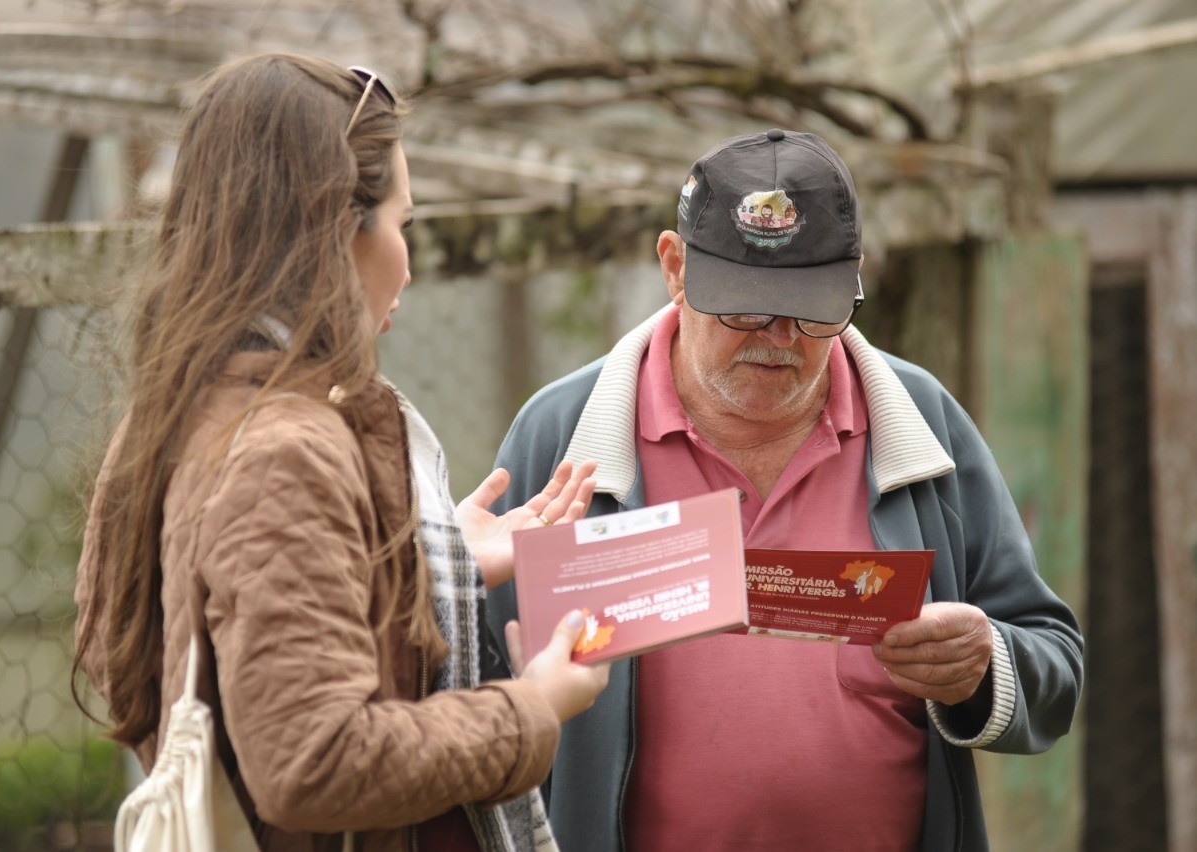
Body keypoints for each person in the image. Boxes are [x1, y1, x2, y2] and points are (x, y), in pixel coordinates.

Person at [486, 128, 1084, 851]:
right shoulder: (565, 433)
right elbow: (471, 693)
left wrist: (984, 664)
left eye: (810, 309)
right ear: (675, 269)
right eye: (744, 308)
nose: (777, 337)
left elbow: (1055, 665)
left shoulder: (920, 423)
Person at [71, 53, 608, 852]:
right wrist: (530, 707)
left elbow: (160, 643)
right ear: (335, 228)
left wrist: (424, 561)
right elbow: (312, 762)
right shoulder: (285, 447)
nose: (409, 264)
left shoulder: (175, 412)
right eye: (402, 223)